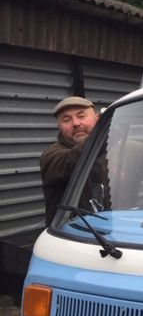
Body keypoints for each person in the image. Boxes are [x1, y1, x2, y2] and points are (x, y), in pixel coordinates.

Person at [40, 96, 100, 226]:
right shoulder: (51, 156)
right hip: (68, 235)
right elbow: (75, 158)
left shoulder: (117, 148)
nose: (76, 123)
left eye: (81, 116)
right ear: (60, 127)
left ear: (97, 118)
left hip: (113, 232)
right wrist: (103, 130)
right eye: (67, 120)